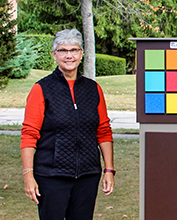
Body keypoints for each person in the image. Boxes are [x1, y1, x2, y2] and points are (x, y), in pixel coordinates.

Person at [20, 28, 115, 220]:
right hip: (51, 176)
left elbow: (103, 131)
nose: (69, 55)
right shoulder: (41, 89)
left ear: (81, 54)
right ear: (54, 54)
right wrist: (28, 176)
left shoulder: (93, 89)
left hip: (88, 176)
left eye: (74, 50)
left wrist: (109, 170)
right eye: (63, 50)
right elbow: (29, 134)